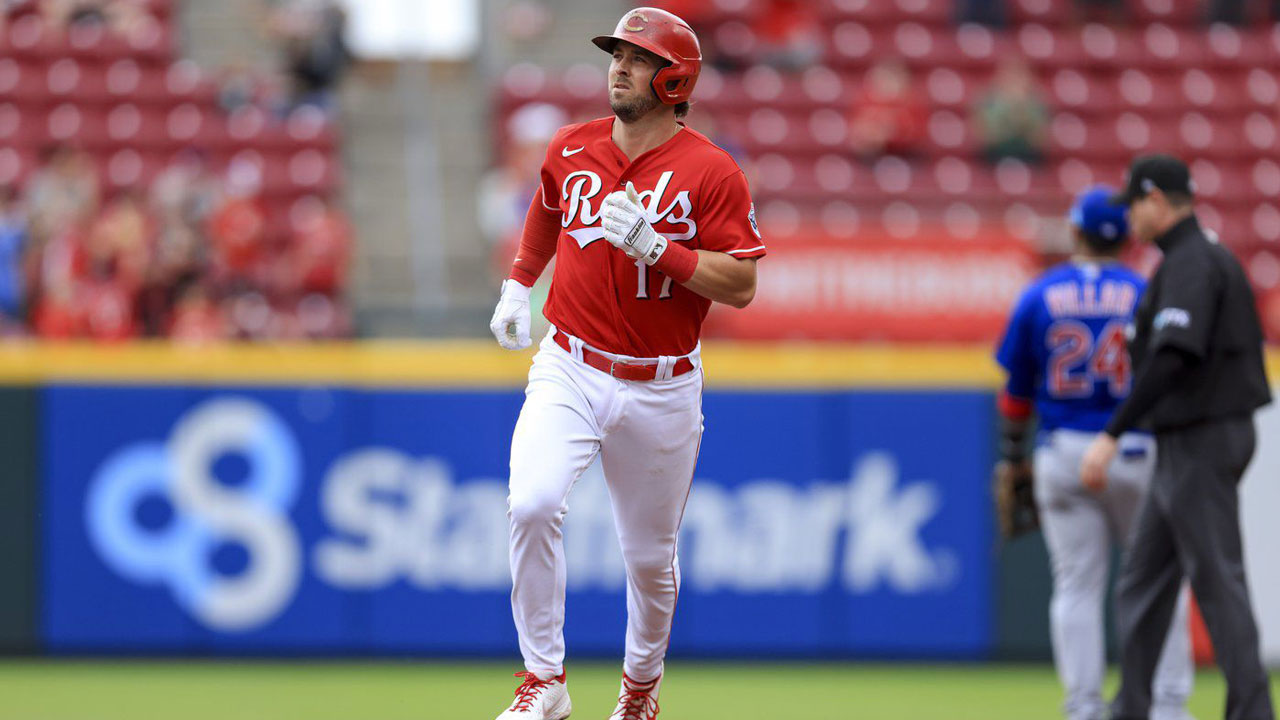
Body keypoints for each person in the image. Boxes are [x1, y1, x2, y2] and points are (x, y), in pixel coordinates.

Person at [487, 8, 765, 720]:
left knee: (648, 559)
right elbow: (547, 209)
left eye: (638, 58)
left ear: (674, 79)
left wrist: (660, 251)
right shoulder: (571, 147)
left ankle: (639, 691)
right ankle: (543, 680)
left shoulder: (711, 168)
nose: (620, 66)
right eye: (618, 53)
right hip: (570, 363)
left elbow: (741, 284)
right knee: (533, 501)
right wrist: (521, 282)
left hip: (662, 382)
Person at [1080, 155, 1275, 720]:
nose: (1129, 219)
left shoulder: (1193, 262)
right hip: (1186, 440)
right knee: (1141, 582)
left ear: (1156, 201)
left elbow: (1173, 356)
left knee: (1217, 581)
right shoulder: (1188, 259)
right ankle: (1131, 708)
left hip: (1204, 437)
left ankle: (1252, 712)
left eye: (1134, 205)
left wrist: (1112, 434)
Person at [995, 185, 1195, 720]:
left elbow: (1015, 393)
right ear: (1128, 237)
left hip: (1062, 450)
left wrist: (1013, 455)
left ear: (1076, 232)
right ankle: (1169, 705)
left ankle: (1083, 706)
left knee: (1077, 586)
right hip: (1134, 447)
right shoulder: (1146, 291)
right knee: (1160, 581)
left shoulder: (1040, 294)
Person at [972, 57, 1050, 166]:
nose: (1014, 81)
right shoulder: (988, 101)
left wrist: (1022, 110)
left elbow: (1039, 139)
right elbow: (986, 137)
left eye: (1019, 76)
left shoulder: (1038, 102)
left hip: (1029, 157)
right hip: (995, 156)